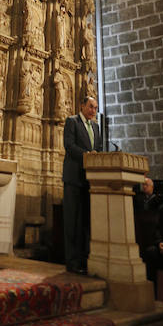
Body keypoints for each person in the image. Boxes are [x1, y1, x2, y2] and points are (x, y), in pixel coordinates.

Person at [62, 95, 101, 274]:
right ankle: (72, 261)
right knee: (72, 221)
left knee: (85, 222)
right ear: (82, 105)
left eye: (95, 108)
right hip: (74, 178)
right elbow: (69, 146)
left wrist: (96, 156)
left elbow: (98, 149)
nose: (94, 111)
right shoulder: (72, 122)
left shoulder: (95, 126)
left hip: (90, 180)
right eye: (91, 107)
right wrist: (88, 155)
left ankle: (85, 260)